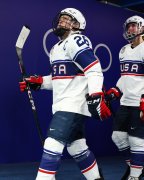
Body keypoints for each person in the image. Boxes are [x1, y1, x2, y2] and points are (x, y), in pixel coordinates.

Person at [19, 8, 110, 180]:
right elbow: (61, 79)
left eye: (67, 19)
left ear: (77, 25)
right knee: (77, 148)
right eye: (61, 18)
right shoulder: (56, 49)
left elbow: (94, 69)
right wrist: (38, 82)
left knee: (52, 144)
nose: (61, 21)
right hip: (65, 104)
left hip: (73, 104)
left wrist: (96, 94)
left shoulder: (76, 40)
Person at [105, 15, 144, 180]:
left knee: (136, 141)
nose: (130, 29)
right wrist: (116, 89)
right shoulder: (123, 50)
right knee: (118, 137)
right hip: (126, 102)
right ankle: (140, 169)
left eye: (133, 26)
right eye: (128, 26)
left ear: (143, 28)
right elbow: (125, 77)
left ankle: (135, 176)